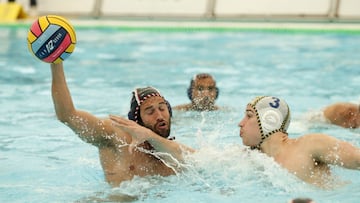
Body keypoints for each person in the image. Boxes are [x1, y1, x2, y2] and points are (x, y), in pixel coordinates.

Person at [50, 62, 194, 186]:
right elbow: (67, 115)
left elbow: (207, 163)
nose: (159, 116)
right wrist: (56, 63)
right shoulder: (117, 137)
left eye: (162, 109)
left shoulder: (173, 152)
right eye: (150, 112)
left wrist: (149, 136)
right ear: (137, 121)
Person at [238, 96, 360, 187]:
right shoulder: (248, 157)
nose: (241, 123)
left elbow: (356, 159)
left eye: (249, 116)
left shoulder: (310, 145)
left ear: (269, 120)